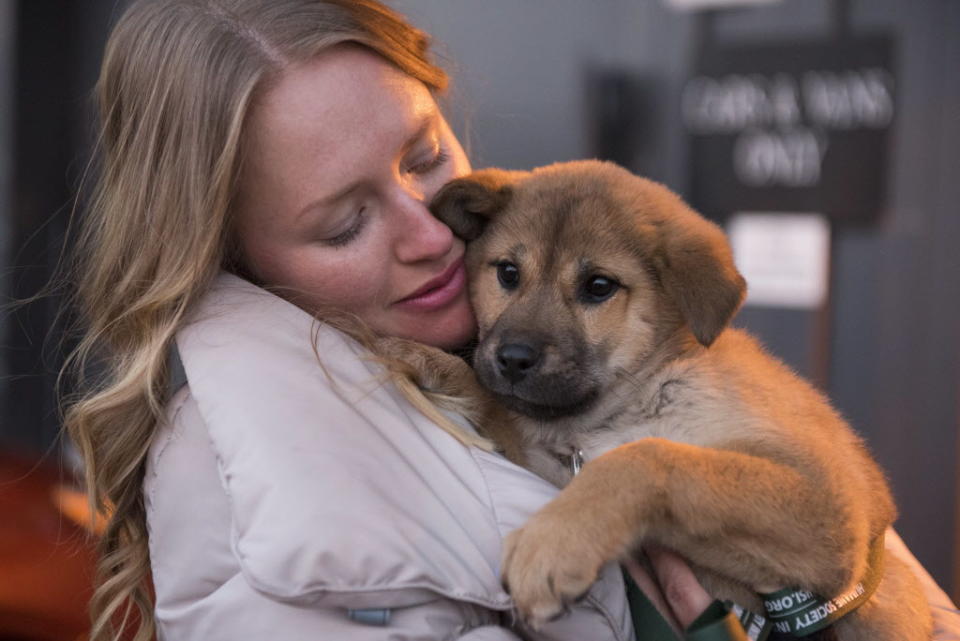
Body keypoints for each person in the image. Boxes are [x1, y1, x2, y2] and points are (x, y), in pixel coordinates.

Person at [64, 1, 959, 640]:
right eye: (345, 223)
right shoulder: (249, 497)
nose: (430, 228)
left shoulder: (543, 236)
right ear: (232, 256)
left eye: (423, 156)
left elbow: (876, 563)